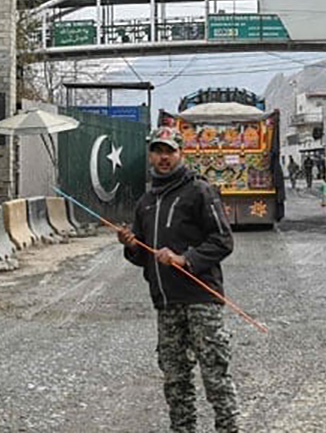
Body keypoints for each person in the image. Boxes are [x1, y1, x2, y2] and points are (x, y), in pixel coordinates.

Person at [117, 126, 239, 433]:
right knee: (175, 381)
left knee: (215, 376)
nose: (164, 157)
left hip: (201, 300)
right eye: (158, 151)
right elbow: (143, 254)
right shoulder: (146, 201)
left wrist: (186, 259)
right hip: (166, 304)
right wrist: (131, 246)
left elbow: (223, 240)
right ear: (150, 155)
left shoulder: (199, 191)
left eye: (169, 151)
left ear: (180, 153)